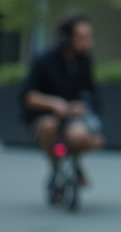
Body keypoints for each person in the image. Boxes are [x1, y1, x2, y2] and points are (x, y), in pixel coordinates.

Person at [20, 15, 105, 188]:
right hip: (46, 116)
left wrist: (82, 105)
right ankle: (55, 166)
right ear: (66, 38)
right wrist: (54, 104)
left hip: (73, 117)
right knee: (48, 127)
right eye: (83, 38)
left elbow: (92, 93)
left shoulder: (84, 61)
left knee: (86, 138)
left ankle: (74, 162)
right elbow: (27, 95)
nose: (89, 43)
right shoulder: (44, 60)